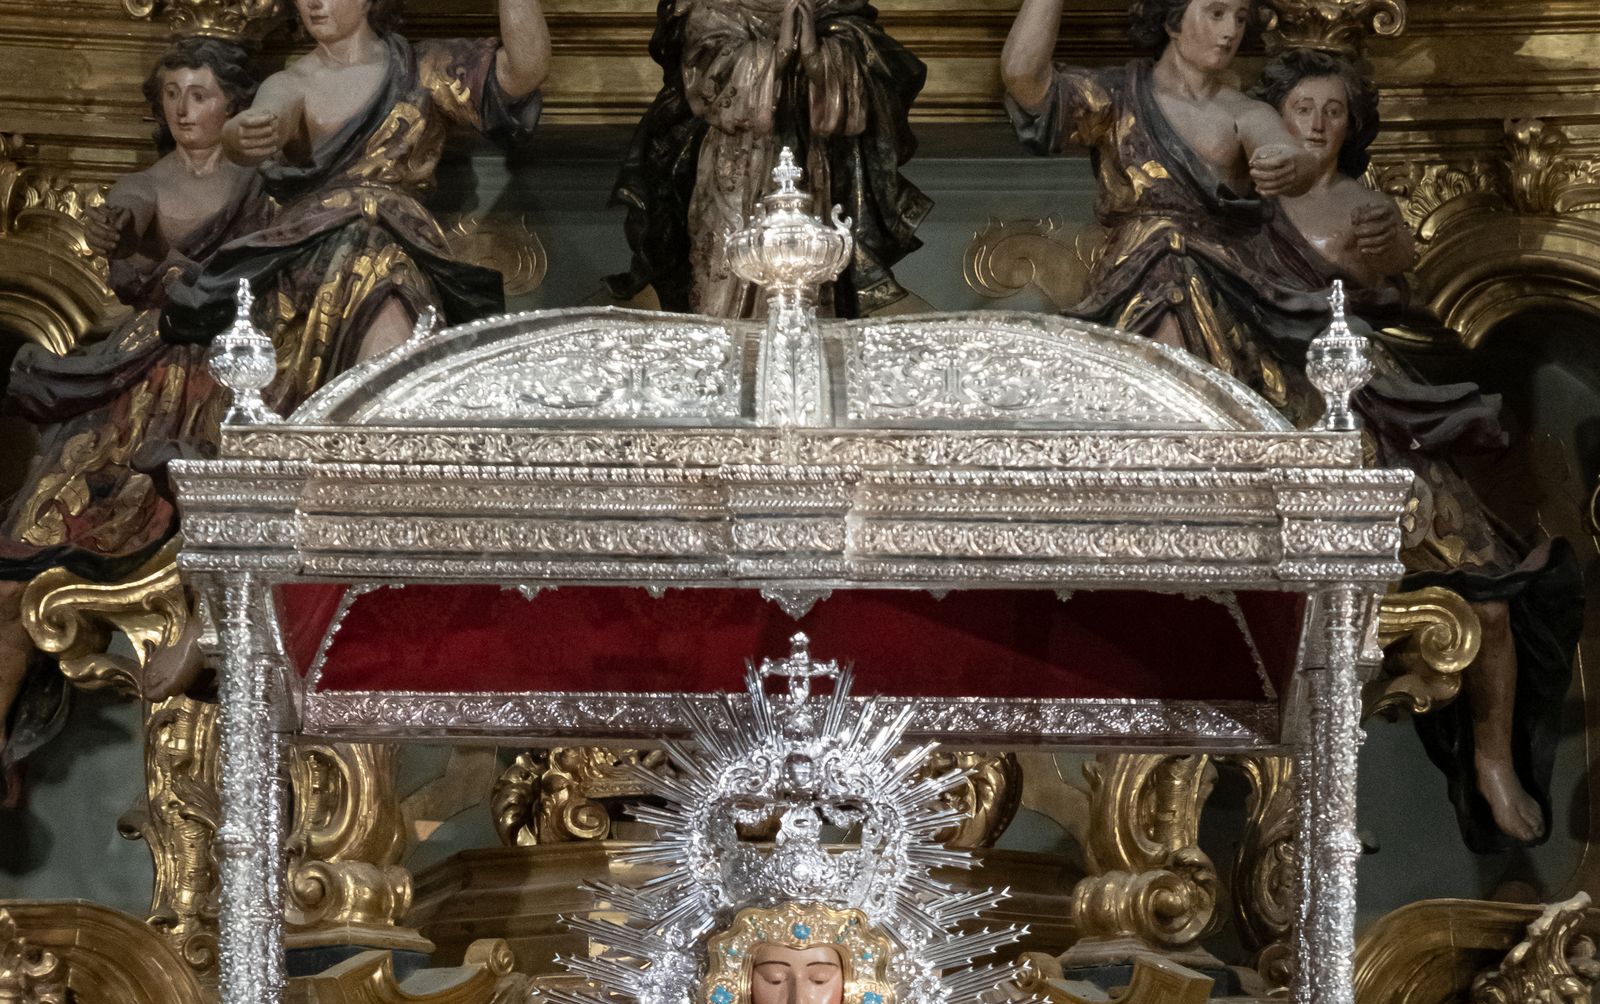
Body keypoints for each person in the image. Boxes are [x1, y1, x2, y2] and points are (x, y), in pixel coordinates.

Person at [1259, 48, 1584, 851]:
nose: (1317, 125)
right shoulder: (1243, 207)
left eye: (1334, 112)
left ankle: (1493, 760)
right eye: (1303, 108)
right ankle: (1306, 796)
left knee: (1490, 599)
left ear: (1352, 125)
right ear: (1274, 116)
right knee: (1294, 618)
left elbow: (1396, 276)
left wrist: (1383, 258)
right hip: (1281, 413)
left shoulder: (1366, 206)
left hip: (1375, 405)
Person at [0, 38, 265, 794]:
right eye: (172, 94)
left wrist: (197, 281)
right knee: (24, 544)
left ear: (233, 104)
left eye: (200, 93)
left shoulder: (263, 187)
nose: (184, 109)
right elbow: (131, 208)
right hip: (139, 375)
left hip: (229, 370)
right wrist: (115, 227)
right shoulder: (146, 183)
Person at [160, 0, 550, 401]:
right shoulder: (291, 82)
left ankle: (384, 413)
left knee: (379, 256)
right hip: (312, 251)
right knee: (371, 254)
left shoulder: (421, 68)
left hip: (400, 242)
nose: (313, 4)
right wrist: (240, 135)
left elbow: (523, 72)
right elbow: (267, 120)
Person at [999, 0, 1315, 402]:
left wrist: (1286, 164)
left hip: (1220, 280)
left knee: (1174, 265)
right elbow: (1025, 78)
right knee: (1165, 262)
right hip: (1132, 276)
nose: (1231, 31)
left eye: (1240, 18)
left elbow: (1289, 153)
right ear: (1172, 21)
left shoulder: (1245, 112)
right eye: (1216, 13)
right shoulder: (1119, 95)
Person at [611, 0, 929, 317]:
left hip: (808, 163)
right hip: (735, 161)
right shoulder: (713, 8)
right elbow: (707, 82)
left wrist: (814, 56)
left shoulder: (828, 8)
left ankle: (802, 341)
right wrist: (779, 54)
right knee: (728, 273)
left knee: (805, 271)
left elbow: (863, 89)